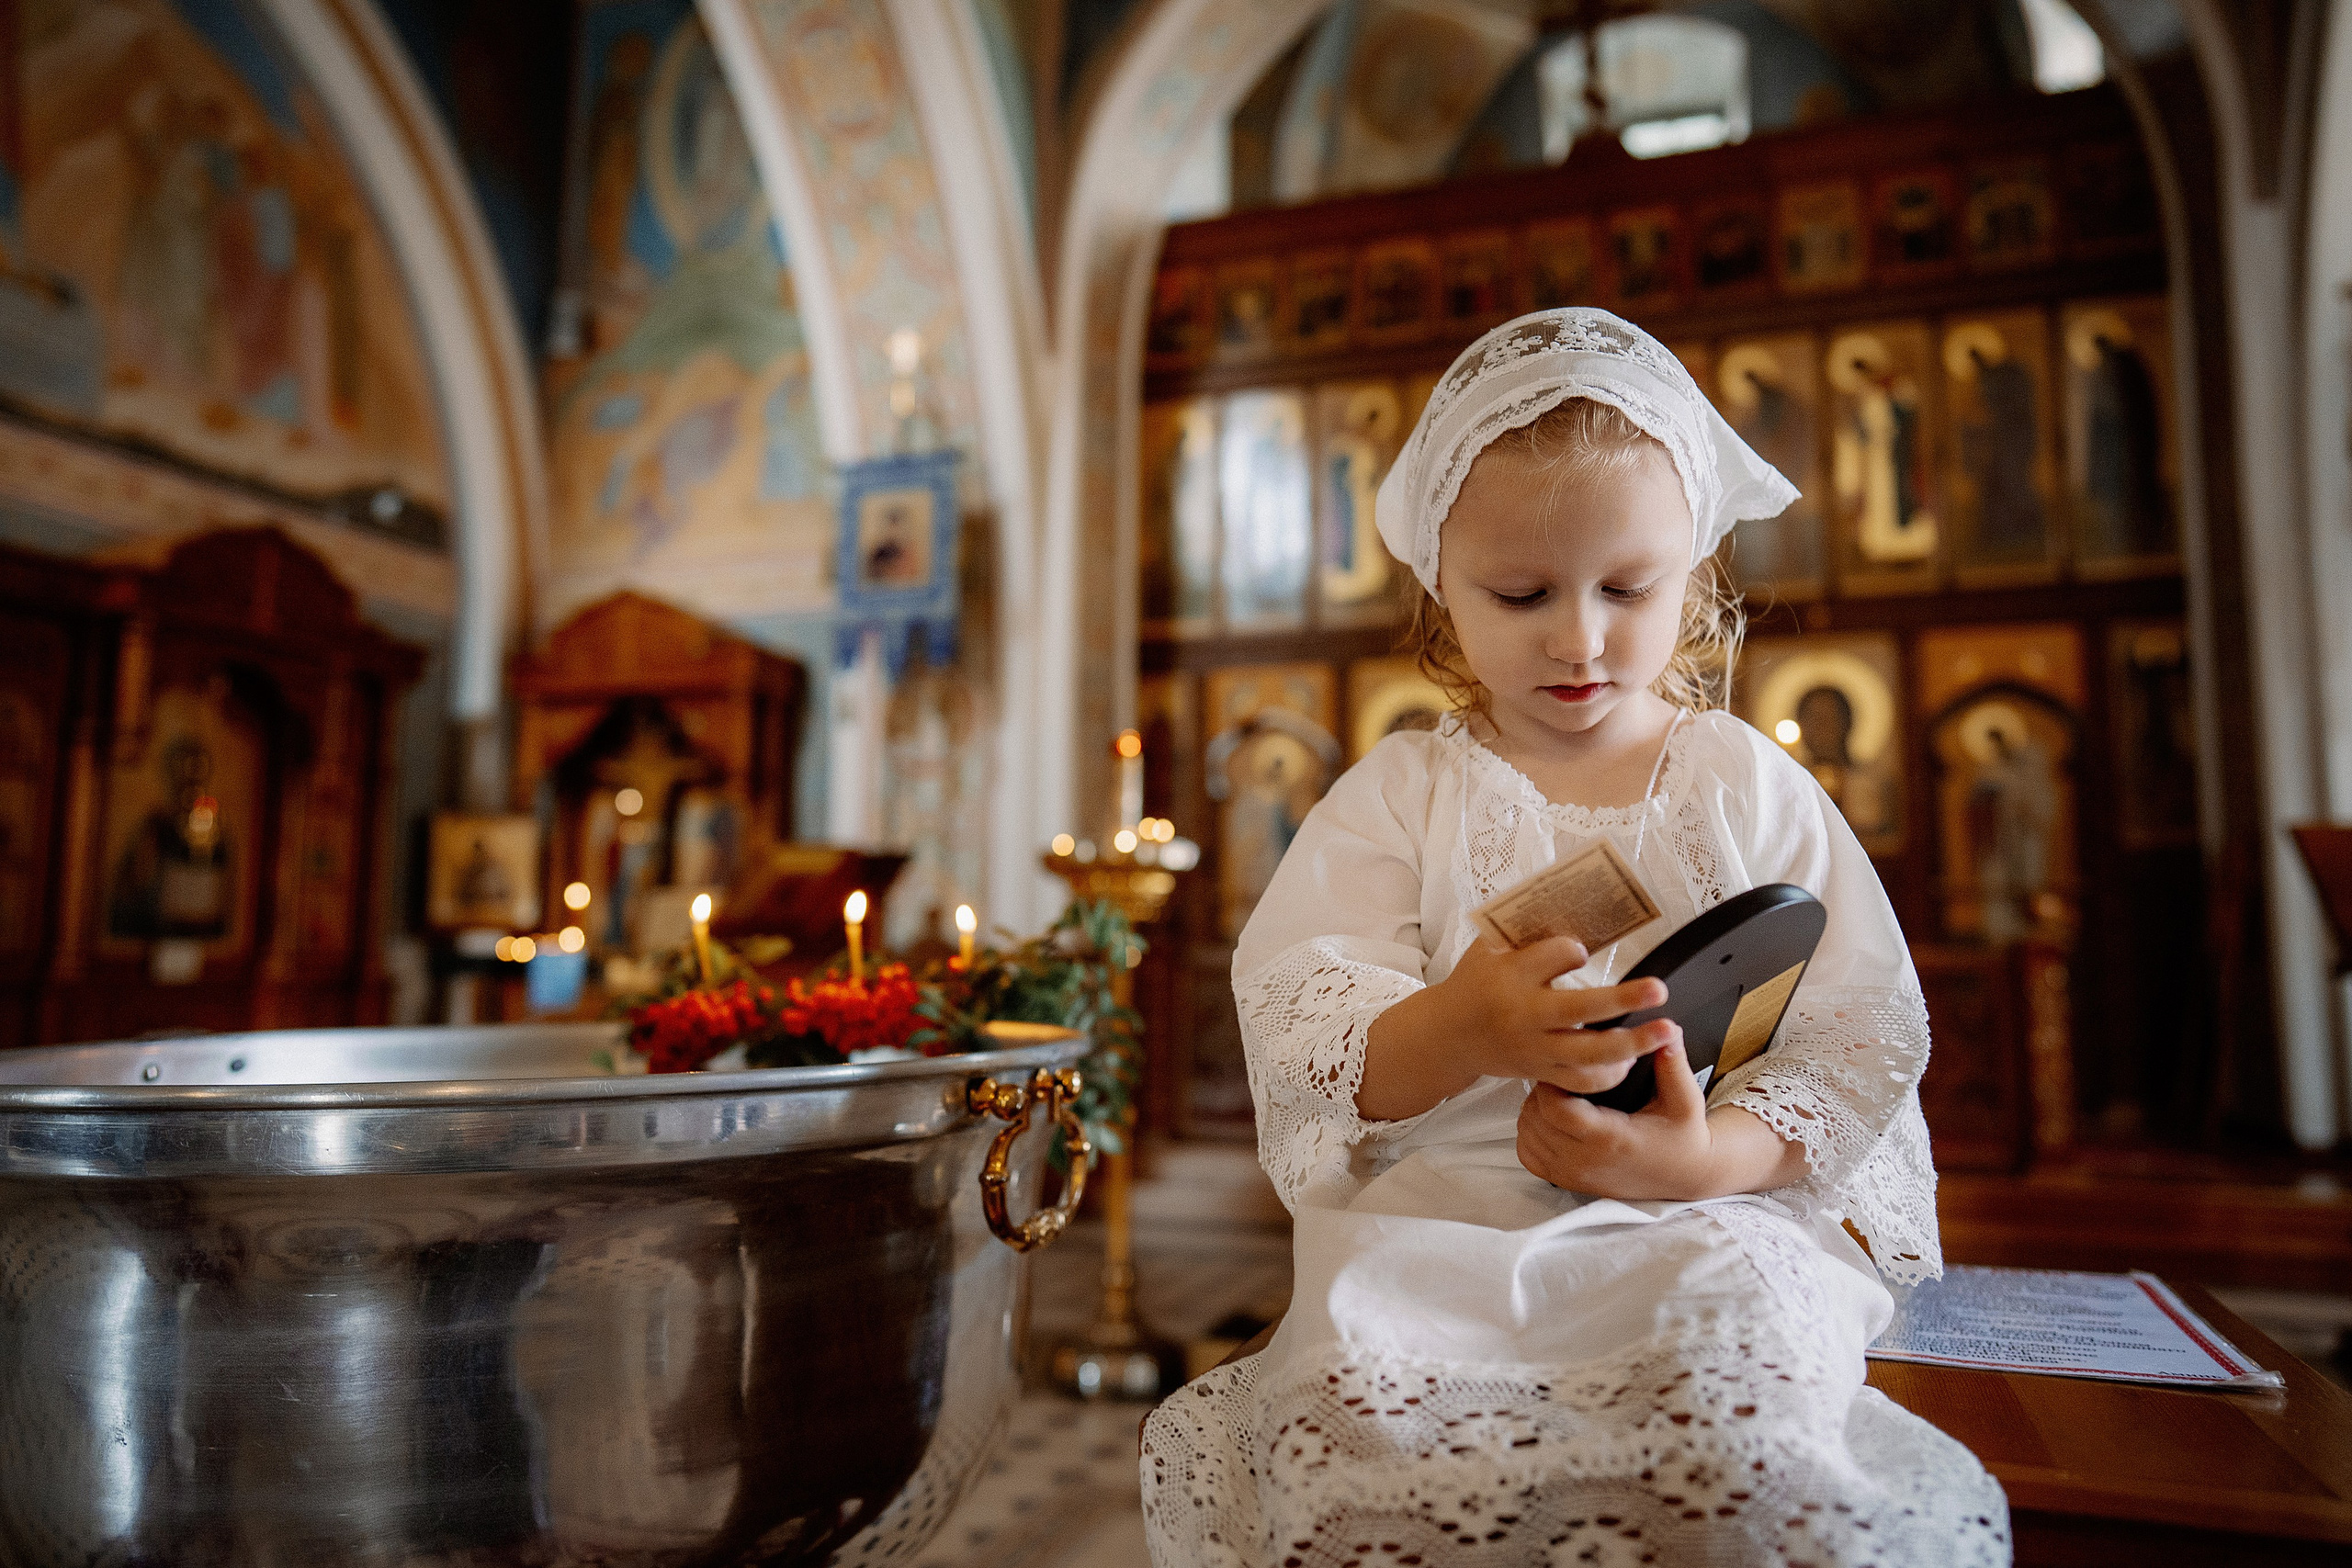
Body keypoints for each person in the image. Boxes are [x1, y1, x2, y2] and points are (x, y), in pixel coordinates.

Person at [1140, 310, 2007, 1566]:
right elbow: (1304, 1025)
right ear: (1443, 585)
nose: (1579, 636)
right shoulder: (1402, 796)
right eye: (1522, 592)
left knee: (1730, 1406)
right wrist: (1467, 1026)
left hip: (1701, 1218)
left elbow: (1857, 1036)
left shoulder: (1743, 786)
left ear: (1698, 575)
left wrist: (1703, 1162)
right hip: (1447, 1221)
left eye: (1628, 587)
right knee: (1359, 1414)